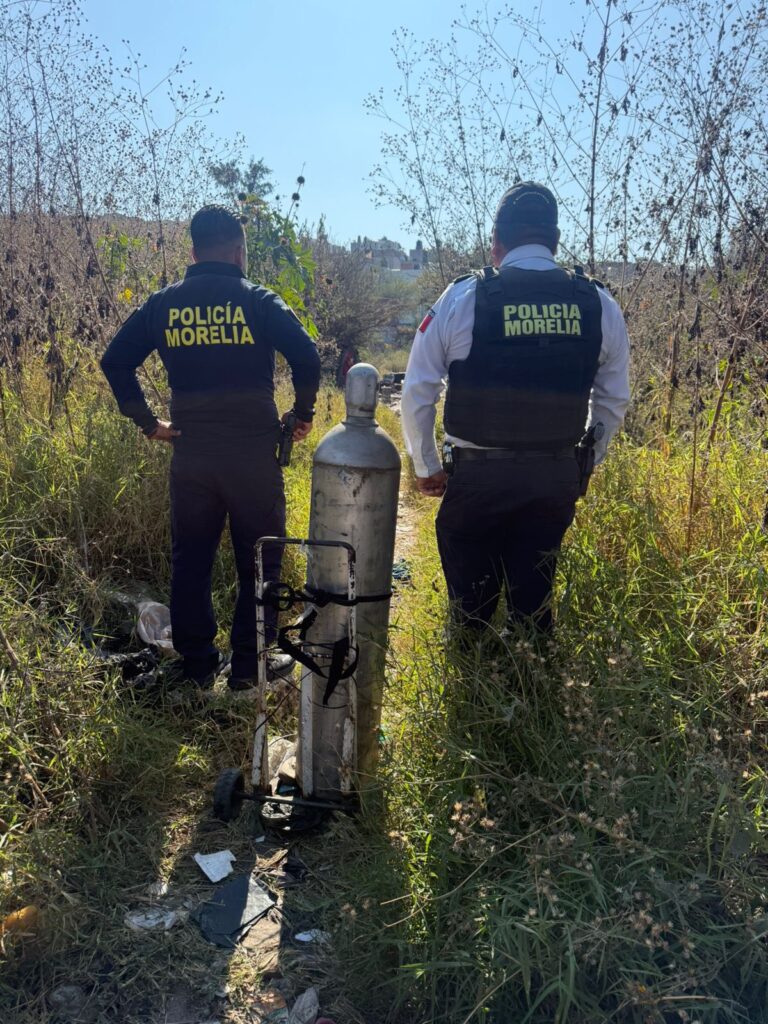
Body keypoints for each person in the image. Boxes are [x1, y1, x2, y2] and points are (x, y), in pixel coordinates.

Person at [101, 204, 321, 688]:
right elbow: (306, 356)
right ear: (240, 251)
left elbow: (115, 361)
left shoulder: (163, 304)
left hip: (192, 455)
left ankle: (197, 665)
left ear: (193, 250)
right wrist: (301, 414)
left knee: (192, 560)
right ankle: (249, 668)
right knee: (261, 560)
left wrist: (146, 422)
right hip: (252, 458)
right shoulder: (259, 300)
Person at [401, 182, 630, 633]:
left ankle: (473, 676)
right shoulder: (597, 303)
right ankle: (532, 680)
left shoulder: (463, 297)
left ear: (496, 244)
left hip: (477, 478)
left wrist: (426, 465)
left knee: (470, 614)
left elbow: (417, 389)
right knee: (533, 604)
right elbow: (613, 400)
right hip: (554, 477)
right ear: (555, 241)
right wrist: (584, 464)